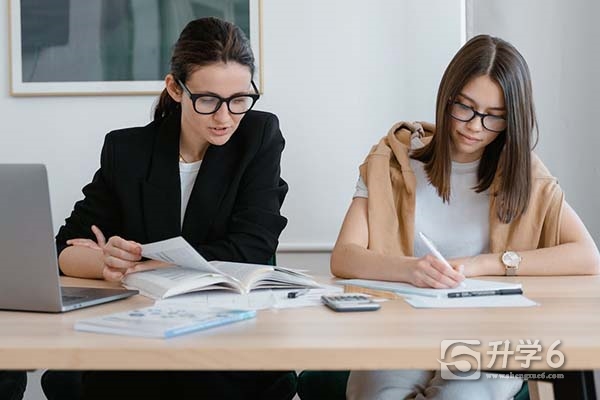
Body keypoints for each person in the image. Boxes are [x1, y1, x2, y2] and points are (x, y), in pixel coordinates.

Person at [331, 34, 600, 399]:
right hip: (402, 328)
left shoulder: (524, 174)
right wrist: (411, 269)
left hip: (493, 335)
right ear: (447, 97)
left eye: (495, 117)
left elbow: (587, 256)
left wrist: (481, 265)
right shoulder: (392, 162)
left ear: (513, 120)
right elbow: (344, 256)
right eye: (466, 108)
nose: (475, 126)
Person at [42, 17, 295, 400]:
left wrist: (141, 264)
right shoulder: (126, 151)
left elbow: (252, 249)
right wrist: (107, 263)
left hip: (228, 331)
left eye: (240, 99)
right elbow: (65, 249)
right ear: (175, 89)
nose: (225, 117)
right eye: (208, 100)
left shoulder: (258, 136)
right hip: (138, 333)